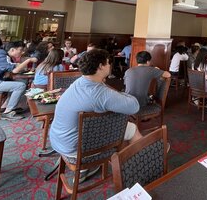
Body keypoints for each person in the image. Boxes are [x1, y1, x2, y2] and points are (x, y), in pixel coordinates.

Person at [50, 49, 141, 180]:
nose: (110, 66)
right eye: (108, 63)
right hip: (75, 150)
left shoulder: (78, 82)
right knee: (131, 127)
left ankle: (85, 168)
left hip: (58, 140)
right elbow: (134, 106)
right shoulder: (100, 93)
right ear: (100, 66)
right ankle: (139, 165)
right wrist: (121, 93)